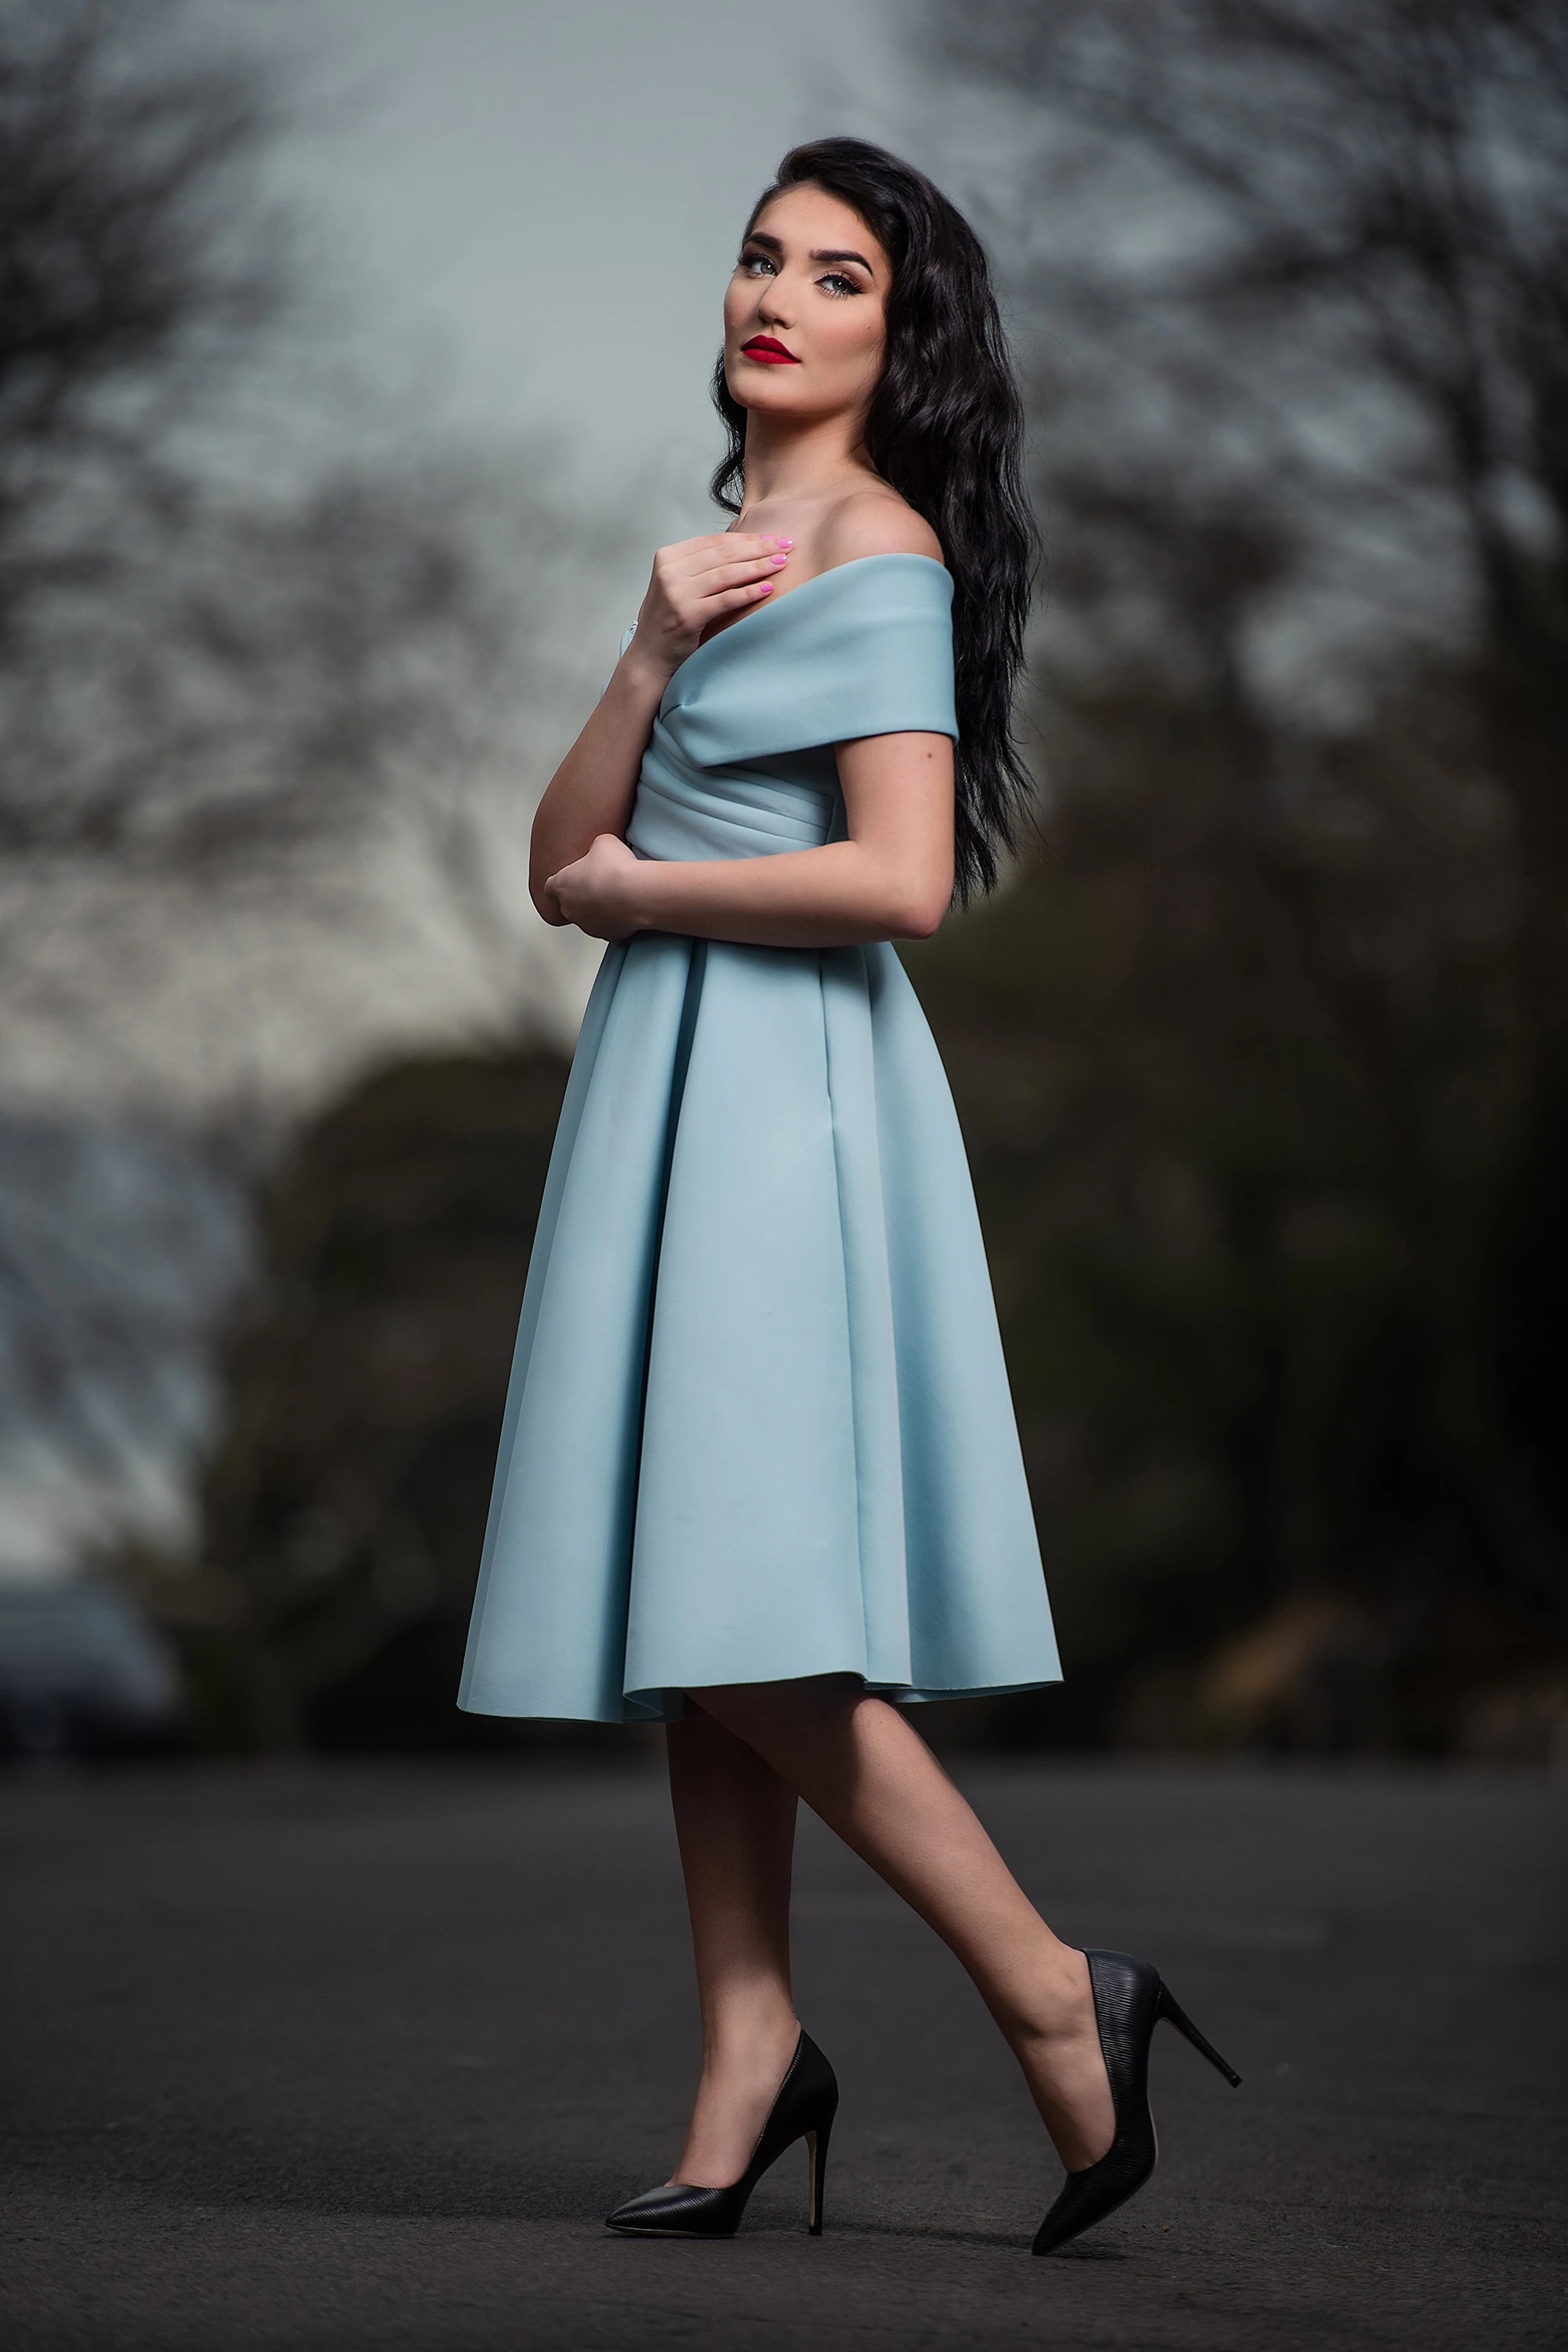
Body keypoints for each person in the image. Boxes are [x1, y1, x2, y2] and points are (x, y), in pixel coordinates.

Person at [459, 137, 1239, 2255]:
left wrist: (655, 891)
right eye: (756, 256)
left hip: (783, 1092)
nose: (774, 295)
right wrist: (639, 652)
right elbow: (555, 863)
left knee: (754, 1617)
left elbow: (902, 879)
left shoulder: (878, 556)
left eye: (837, 273)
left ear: (908, 340)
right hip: (680, 1074)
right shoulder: (724, 552)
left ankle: (1056, 1993)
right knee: (702, 1612)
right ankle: (748, 2052)